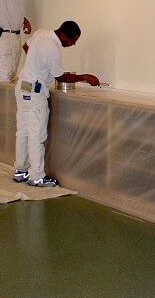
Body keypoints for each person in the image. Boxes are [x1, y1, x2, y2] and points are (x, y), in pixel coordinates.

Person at [13, 21, 100, 187]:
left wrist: (38, 66)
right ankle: (36, 177)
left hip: (22, 87)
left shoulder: (41, 33)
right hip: (35, 93)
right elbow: (60, 77)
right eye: (73, 40)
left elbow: (26, 46)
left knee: (22, 132)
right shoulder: (53, 49)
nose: (73, 44)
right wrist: (86, 77)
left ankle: (20, 171)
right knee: (36, 136)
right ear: (64, 35)